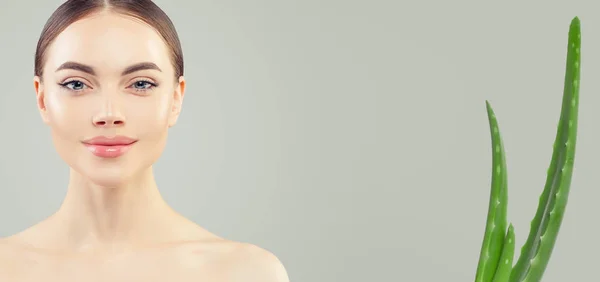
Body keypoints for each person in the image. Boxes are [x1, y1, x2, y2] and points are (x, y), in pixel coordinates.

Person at [0, 1, 290, 281]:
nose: (108, 114)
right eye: (76, 84)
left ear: (176, 99)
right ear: (42, 99)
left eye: (141, 84)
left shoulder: (246, 273)